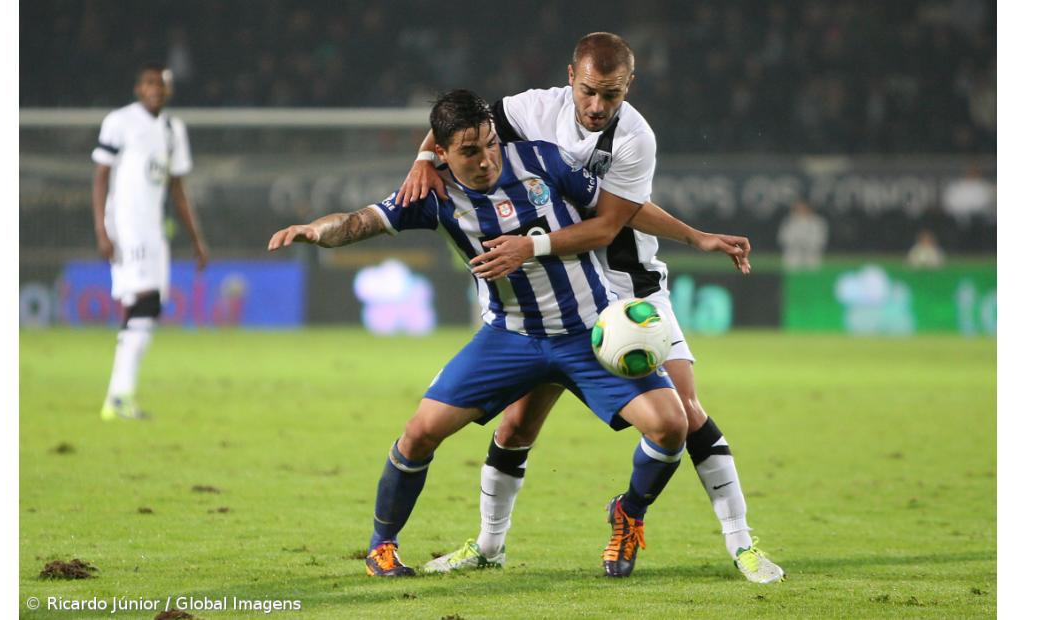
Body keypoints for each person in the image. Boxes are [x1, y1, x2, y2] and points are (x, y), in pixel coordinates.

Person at [400, 33, 783, 583]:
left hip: (629, 290)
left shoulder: (635, 137)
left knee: (686, 413)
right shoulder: (532, 110)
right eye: (588, 92)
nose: (598, 106)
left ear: (629, 87)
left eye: (612, 94)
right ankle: (488, 545)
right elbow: (458, 125)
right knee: (515, 424)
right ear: (569, 78)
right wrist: (422, 157)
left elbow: (611, 220)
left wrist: (694, 238)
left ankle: (729, 541)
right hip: (558, 292)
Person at [268, 90, 689, 578]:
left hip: (589, 332)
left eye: (490, 144)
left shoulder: (541, 159)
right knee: (419, 432)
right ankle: (382, 547)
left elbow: (620, 212)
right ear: (441, 153)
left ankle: (628, 513)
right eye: (470, 152)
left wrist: (696, 237)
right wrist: (316, 231)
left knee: (670, 426)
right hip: (509, 339)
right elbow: (362, 221)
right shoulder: (433, 195)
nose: (487, 159)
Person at [91, 62, 209, 421]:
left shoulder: (174, 130)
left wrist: (197, 240)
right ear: (138, 88)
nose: (155, 88)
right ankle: (118, 398)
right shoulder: (119, 122)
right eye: (148, 83)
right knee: (144, 303)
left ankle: (117, 398)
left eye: (160, 83)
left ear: (168, 90)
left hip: (155, 231)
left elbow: (178, 189)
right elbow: (100, 176)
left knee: (146, 310)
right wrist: (101, 229)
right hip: (126, 227)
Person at [778, 198, 828, 271]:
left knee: (812, 271)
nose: (801, 209)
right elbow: (783, 238)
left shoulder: (818, 222)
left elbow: (821, 240)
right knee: (791, 266)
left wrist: (806, 244)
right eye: (799, 207)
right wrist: (797, 243)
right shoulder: (789, 221)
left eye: (804, 207)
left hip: (812, 255)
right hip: (793, 255)